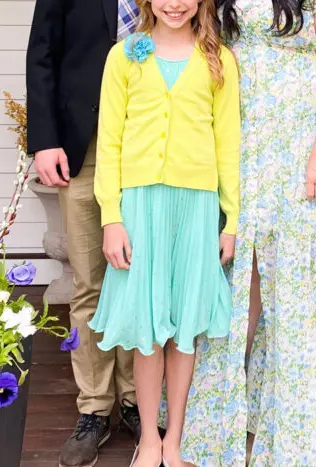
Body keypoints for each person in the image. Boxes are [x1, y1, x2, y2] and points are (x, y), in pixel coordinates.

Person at [169, 0, 316, 465]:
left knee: (301, 278)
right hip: (239, 143)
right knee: (238, 276)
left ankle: (299, 423)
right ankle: (218, 420)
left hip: (299, 149)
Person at [85, 0, 241, 465]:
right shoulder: (125, 55)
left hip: (195, 206)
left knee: (184, 326)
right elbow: (109, 138)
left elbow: (227, 143)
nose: (176, 4)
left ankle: (174, 440)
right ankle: (148, 441)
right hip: (140, 206)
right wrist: (112, 217)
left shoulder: (220, 60)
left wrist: (230, 220)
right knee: (148, 326)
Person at [26, 1, 142, 465]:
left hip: (151, 145)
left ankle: (137, 399)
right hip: (84, 143)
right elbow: (42, 52)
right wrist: (44, 138)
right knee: (89, 280)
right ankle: (94, 407)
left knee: (139, 278)